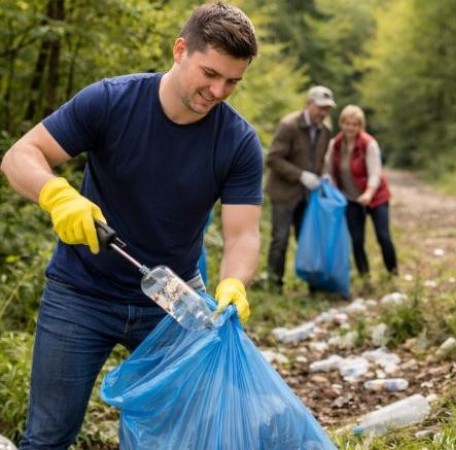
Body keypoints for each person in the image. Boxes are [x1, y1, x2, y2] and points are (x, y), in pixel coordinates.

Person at [0, 3, 262, 447]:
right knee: (48, 436)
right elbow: (21, 155)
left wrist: (235, 281)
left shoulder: (238, 142)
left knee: (168, 439)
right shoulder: (111, 101)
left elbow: (242, 234)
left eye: (232, 81)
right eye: (210, 73)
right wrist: (57, 195)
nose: (218, 91)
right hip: (80, 293)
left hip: (172, 302)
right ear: (180, 50)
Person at [265, 85, 335, 293]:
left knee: (309, 240)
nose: (323, 113)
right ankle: (274, 285)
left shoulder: (326, 130)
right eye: (320, 108)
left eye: (327, 109)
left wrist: (323, 175)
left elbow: (319, 159)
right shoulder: (289, 125)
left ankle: (314, 286)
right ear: (308, 104)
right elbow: (273, 158)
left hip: (308, 195)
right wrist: (301, 175)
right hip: (284, 193)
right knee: (281, 239)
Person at [323, 105, 397, 284]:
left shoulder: (368, 144)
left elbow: (375, 173)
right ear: (342, 124)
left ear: (361, 126)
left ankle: (392, 273)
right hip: (351, 199)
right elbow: (329, 171)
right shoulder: (335, 145)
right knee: (357, 240)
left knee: (383, 236)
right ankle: (365, 276)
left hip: (376, 197)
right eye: (347, 124)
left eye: (355, 125)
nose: (351, 128)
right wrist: (332, 188)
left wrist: (369, 193)